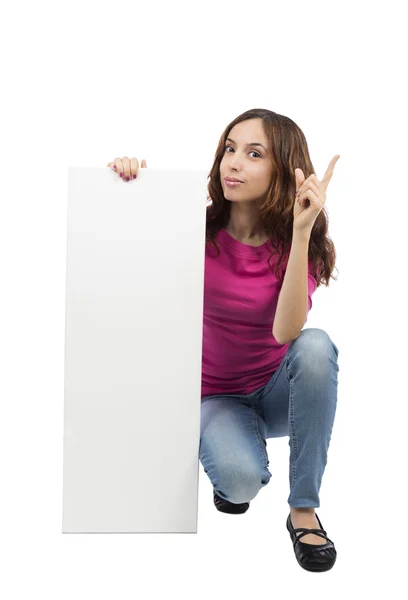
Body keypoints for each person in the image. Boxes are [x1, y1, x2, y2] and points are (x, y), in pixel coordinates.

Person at [106, 107, 340, 573]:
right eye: (229, 149)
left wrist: (299, 232)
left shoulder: (300, 245)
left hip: (277, 392)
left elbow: (285, 333)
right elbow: (128, 260)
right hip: (215, 395)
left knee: (315, 345)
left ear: (282, 170)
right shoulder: (195, 229)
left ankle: (304, 509)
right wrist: (132, 190)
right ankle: (232, 457)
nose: (233, 162)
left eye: (254, 154)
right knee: (239, 483)